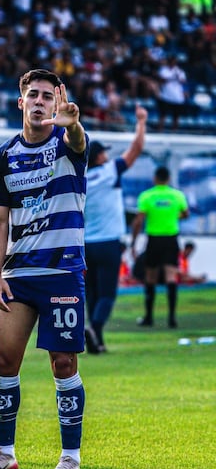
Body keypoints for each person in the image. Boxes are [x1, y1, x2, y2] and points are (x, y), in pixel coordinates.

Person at [0, 68, 88, 469]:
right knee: (4, 360)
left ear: (56, 102)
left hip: (62, 272)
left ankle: (70, 457)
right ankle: (4, 454)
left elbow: (78, 140)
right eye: (33, 95)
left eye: (47, 96)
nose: (40, 102)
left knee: (63, 364)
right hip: (19, 274)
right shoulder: (2, 157)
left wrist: (72, 124)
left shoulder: (68, 143)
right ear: (20, 102)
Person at [84, 105, 148, 354]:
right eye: (104, 153)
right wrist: (141, 122)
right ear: (99, 157)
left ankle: (96, 341)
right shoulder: (110, 171)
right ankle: (95, 327)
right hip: (109, 242)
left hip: (86, 244)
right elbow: (136, 149)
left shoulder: (81, 178)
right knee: (107, 294)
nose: (107, 157)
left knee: (92, 292)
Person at [131, 166, 189, 328]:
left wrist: (134, 242)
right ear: (168, 179)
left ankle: (149, 317)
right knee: (171, 276)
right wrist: (173, 215)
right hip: (171, 239)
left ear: (155, 178)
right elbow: (186, 214)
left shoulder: (147, 196)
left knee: (150, 277)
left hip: (154, 239)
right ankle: (172, 318)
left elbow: (139, 221)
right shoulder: (177, 195)